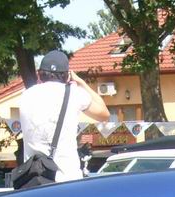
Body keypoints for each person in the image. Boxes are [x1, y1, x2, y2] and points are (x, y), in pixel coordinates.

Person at [19, 50, 110, 182]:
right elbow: (104, 114)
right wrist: (81, 82)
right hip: (67, 179)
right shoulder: (74, 94)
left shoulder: (26, 96)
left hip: (34, 180)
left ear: (39, 75)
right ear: (67, 76)